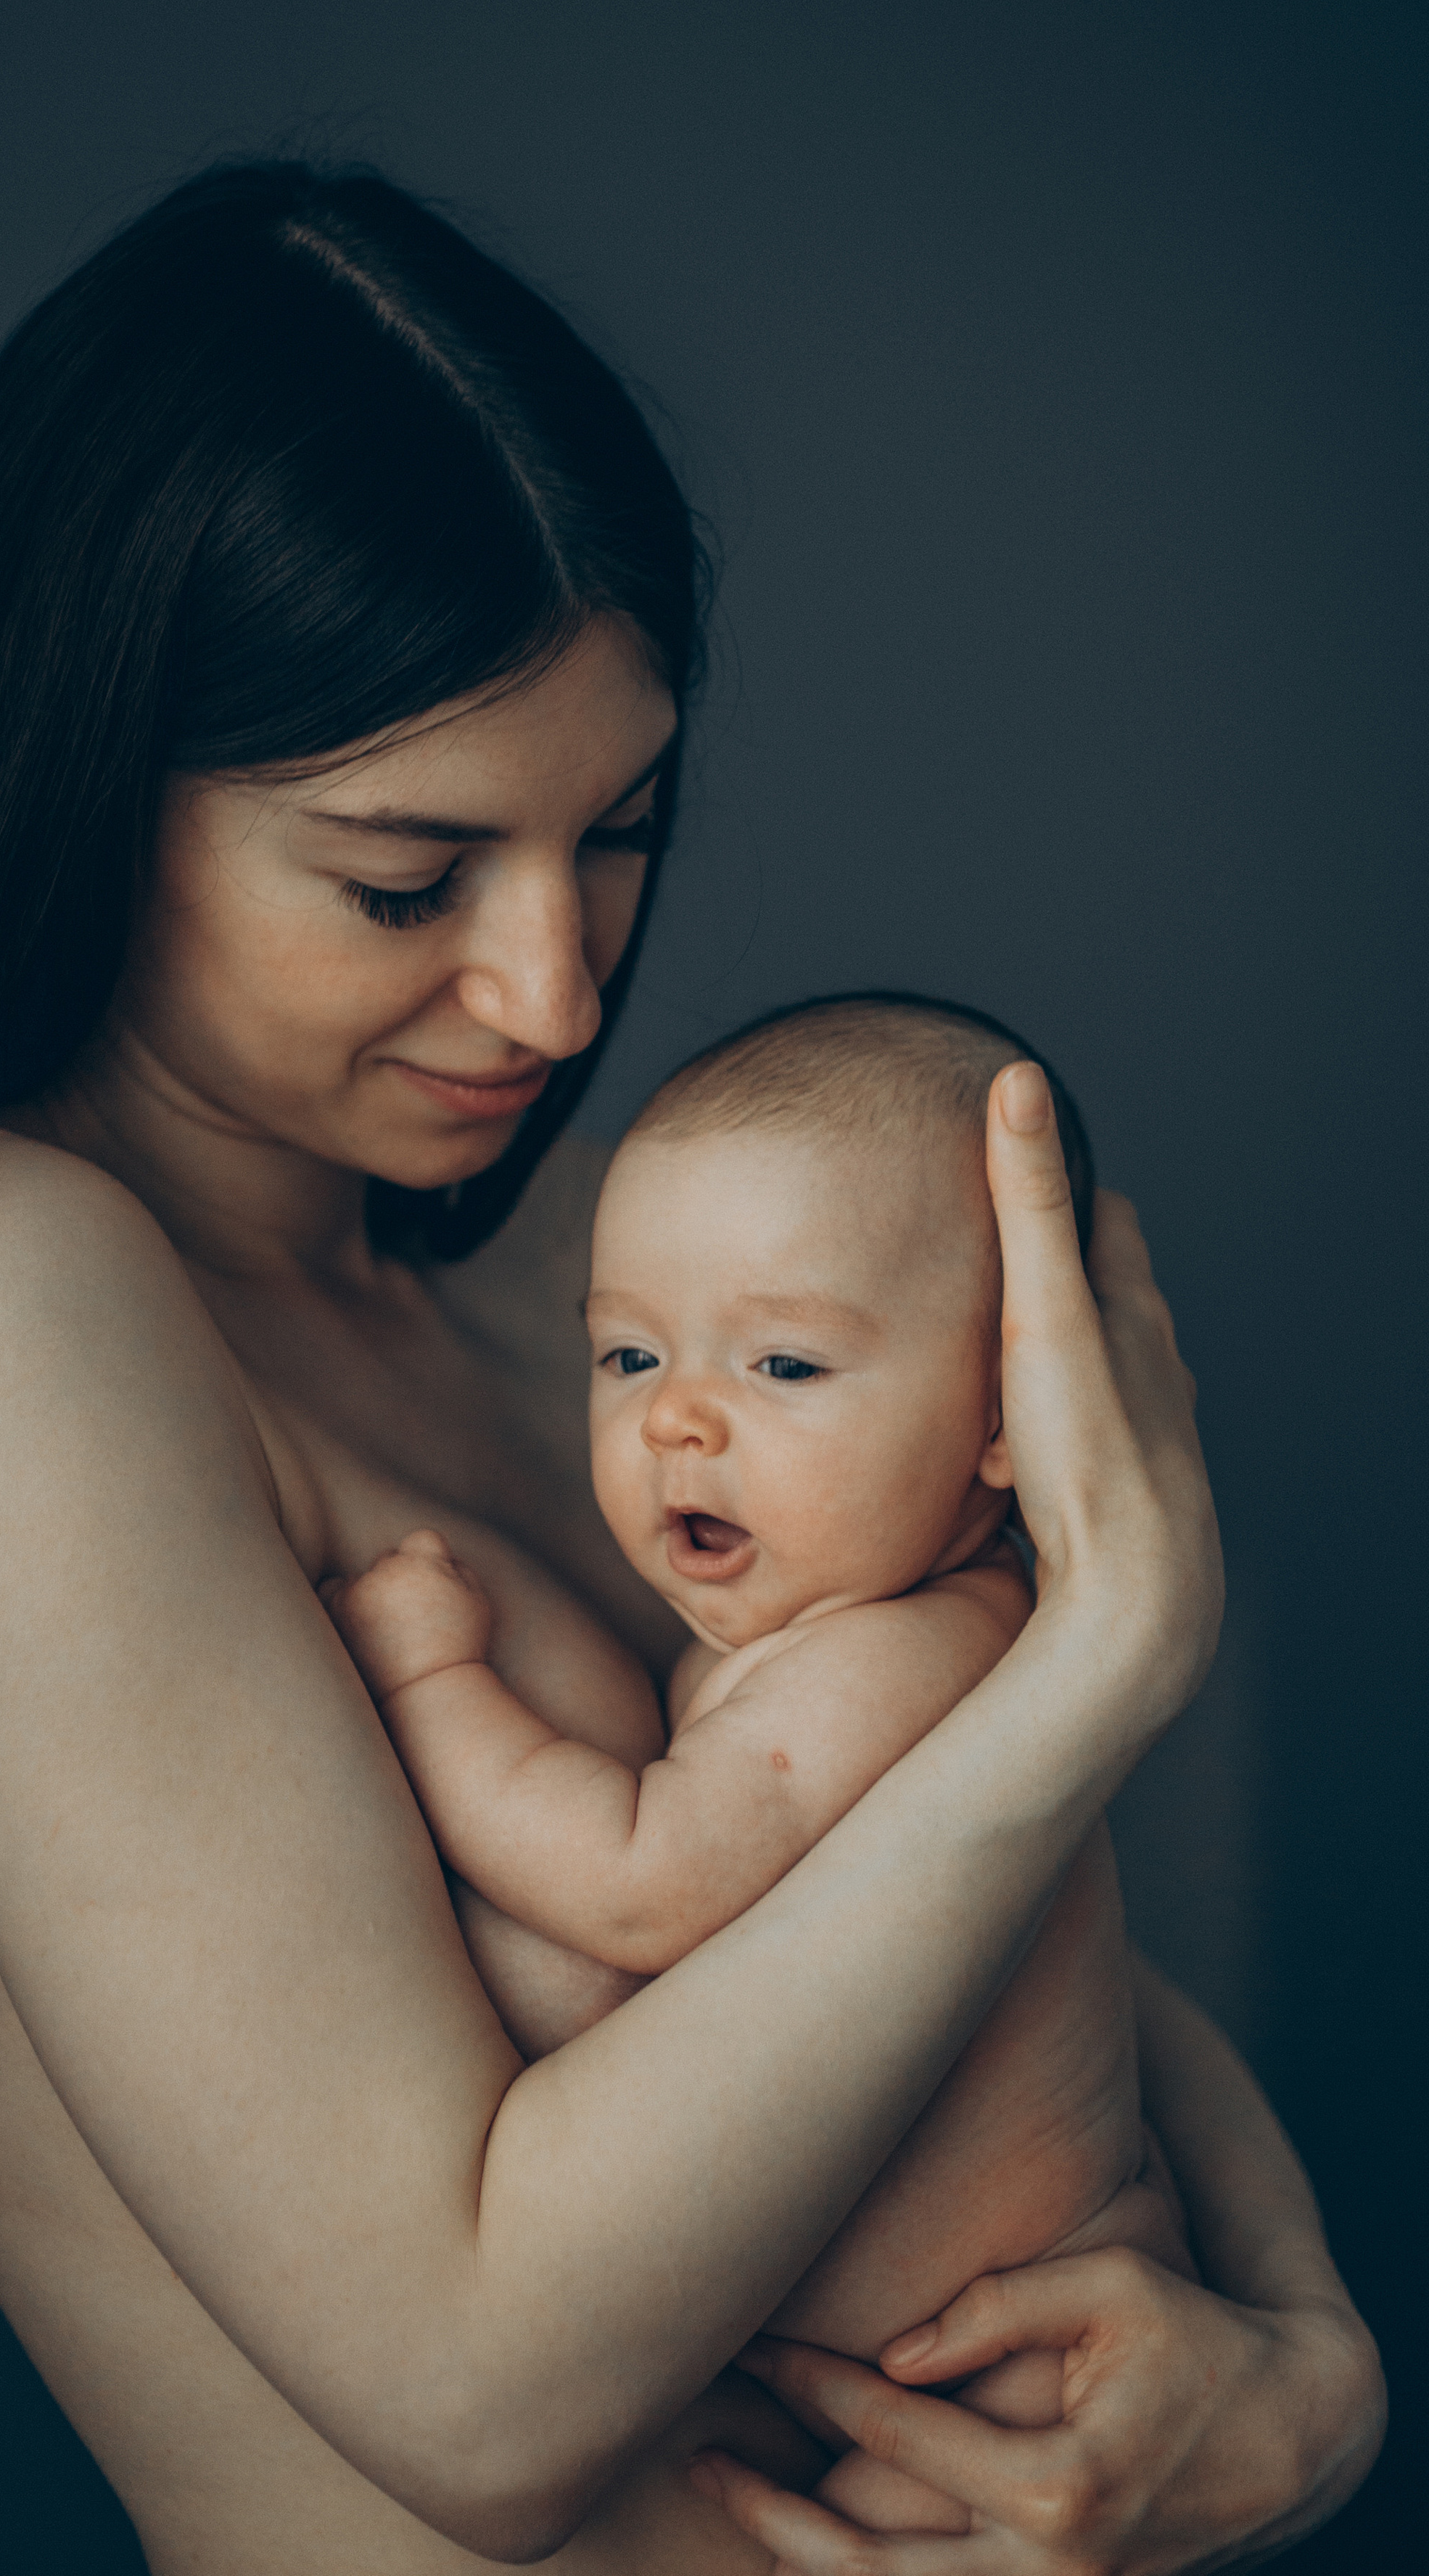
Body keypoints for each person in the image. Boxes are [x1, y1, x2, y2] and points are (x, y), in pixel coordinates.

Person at [0, 161, 1383, 2575]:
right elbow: (475, 2390)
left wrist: (1305, 2367)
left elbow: (997, 1935)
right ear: (93, 779)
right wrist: (1096, 1667)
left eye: (623, 834)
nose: (557, 1000)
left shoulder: (589, 1272)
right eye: (405, 879)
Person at [324, 991, 1204, 2542]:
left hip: (998, 2354)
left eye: (785, 1367)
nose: (676, 1420)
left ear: (1006, 1418)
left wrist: (427, 1679)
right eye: (629, 1353)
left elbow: (643, 1886)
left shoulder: (901, 1655)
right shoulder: (842, 1629)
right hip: (935, 2340)